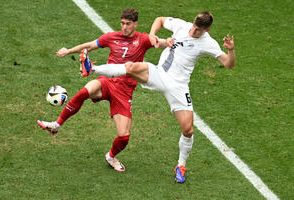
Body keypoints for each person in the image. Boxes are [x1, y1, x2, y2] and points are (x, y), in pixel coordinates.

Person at [87, 11, 235, 182]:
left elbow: (228, 64)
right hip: (159, 73)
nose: (194, 32)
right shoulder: (181, 25)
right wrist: (152, 35)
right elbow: (159, 19)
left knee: (188, 130)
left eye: (199, 30)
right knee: (131, 67)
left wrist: (231, 51)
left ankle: (180, 165)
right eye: (194, 27)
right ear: (193, 22)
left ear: (206, 30)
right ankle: (92, 69)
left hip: (178, 86)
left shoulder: (208, 43)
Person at [37, 8, 169, 172]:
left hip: (124, 91)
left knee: (124, 137)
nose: (124, 27)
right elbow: (90, 46)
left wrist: (168, 41)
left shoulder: (142, 39)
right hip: (107, 81)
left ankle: (111, 157)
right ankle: (56, 125)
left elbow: (161, 42)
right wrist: (68, 51)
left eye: (128, 24)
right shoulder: (111, 37)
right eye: (122, 23)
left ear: (135, 24)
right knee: (85, 91)